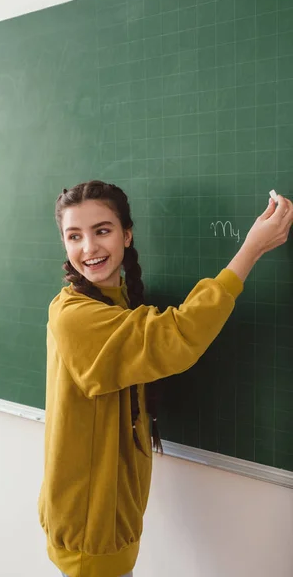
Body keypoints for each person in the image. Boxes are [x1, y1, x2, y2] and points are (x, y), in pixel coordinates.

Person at [38, 180, 293, 577]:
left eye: (102, 230)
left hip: (108, 518)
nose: (88, 248)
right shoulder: (75, 316)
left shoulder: (116, 302)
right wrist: (251, 249)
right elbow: (176, 336)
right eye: (74, 236)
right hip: (91, 528)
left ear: (126, 234)